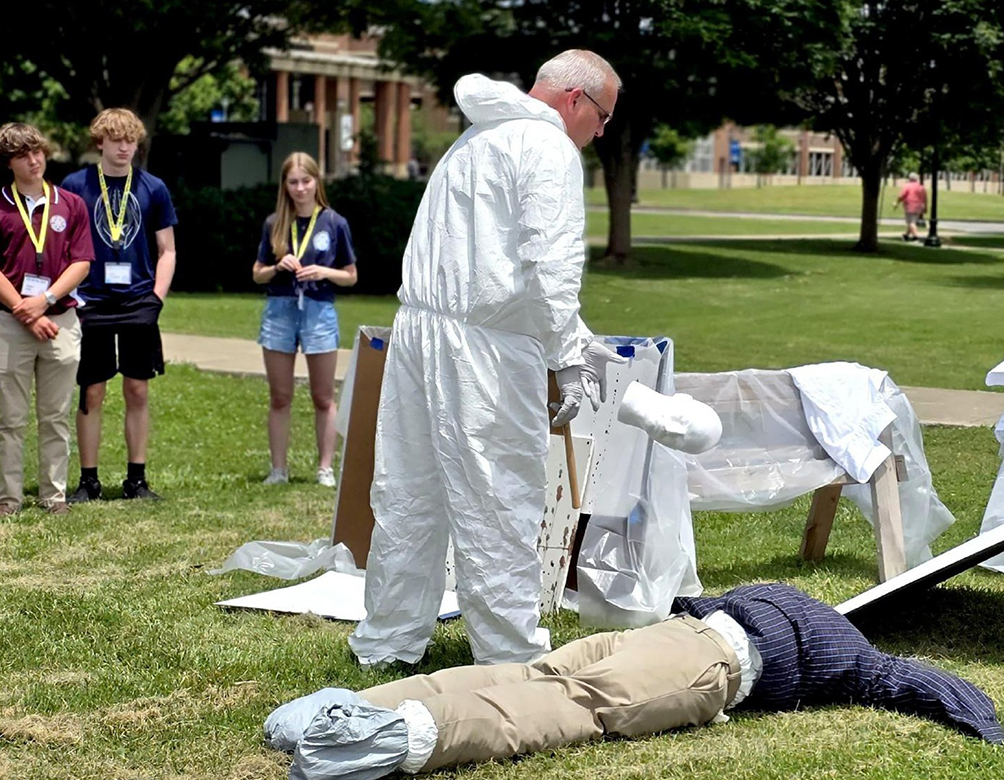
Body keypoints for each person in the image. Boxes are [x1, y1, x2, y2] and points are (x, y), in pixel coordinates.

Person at [348, 49, 624, 668]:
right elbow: (546, 267)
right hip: (483, 353)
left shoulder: (475, 139)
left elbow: (490, 268)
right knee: (498, 496)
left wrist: (573, 337)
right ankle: (509, 655)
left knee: (409, 492)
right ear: (574, 100)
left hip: (419, 335)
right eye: (603, 116)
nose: (601, 132)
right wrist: (566, 359)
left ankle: (390, 638)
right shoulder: (547, 148)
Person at [270, 583, 1003, 779]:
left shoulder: (790, 601)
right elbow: (914, 680)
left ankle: (332, 712)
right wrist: (987, 719)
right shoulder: (852, 653)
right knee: (567, 708)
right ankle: (390, 741)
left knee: (525, 673)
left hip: (662, 632)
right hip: (697, 662)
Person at [0, 123, 93, 516]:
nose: (33, 160)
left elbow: (82, 262)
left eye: (37, 151)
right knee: (11, 418)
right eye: (23, 155)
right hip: (10, 323)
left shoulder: (70, 204)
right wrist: (26, 311)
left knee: (56, 417)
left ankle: (54, 496)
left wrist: (46, 299)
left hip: (61, 321)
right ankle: (9, 499)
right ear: (8, 162)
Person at [59, 108, 177, 503]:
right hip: (90, 301)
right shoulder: (75, 186)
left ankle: (136, 479)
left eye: (131, 140)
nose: (125, 147)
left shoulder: (152, 187)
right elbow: (63, 246)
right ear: (100, 143)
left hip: (139, 301)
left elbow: (167, 249)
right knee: (92, 390)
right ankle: (88, 480)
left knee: (138, 389)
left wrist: (156, 296)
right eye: (116, 140)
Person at [251, 152, 357, 488]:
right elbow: (257, 274)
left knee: (323, 396)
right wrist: (275, 268)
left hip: (319, 309)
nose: (300, 189)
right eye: (293, 182)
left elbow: (351, 276)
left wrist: (324, 271)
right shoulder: (275, 223)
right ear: (285, 185)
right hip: (280, 309)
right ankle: (278, 469)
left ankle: (325, 468)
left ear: (317, 182)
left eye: (306, 181)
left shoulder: (334, 222)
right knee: (280, 396)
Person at [894, 172, 928, 241]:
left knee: (910, 222)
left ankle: (916, 237)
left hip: (910, 206)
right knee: (913, 221)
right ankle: (906, 235)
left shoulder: (907, 186)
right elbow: (925, 198)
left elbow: (901, 195)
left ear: (909, 178)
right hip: (919, 207)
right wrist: (925, 207)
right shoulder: (921, 187)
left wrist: (897, 202)